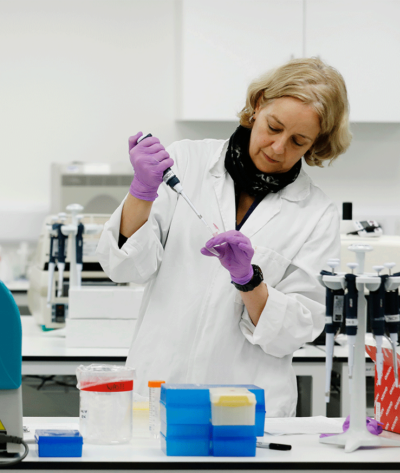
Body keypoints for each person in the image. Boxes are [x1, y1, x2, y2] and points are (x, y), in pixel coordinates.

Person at [96, 58, 352, 417]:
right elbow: (123, 268)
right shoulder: (186, 162)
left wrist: (250, 282)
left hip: (246, 408)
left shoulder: (316, 213)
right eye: (273, 127)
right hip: (160, 387)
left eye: (298, 141)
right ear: (259, 103)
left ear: (316, 143)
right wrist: (141, 192)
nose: (278, 148)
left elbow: (298, 330)